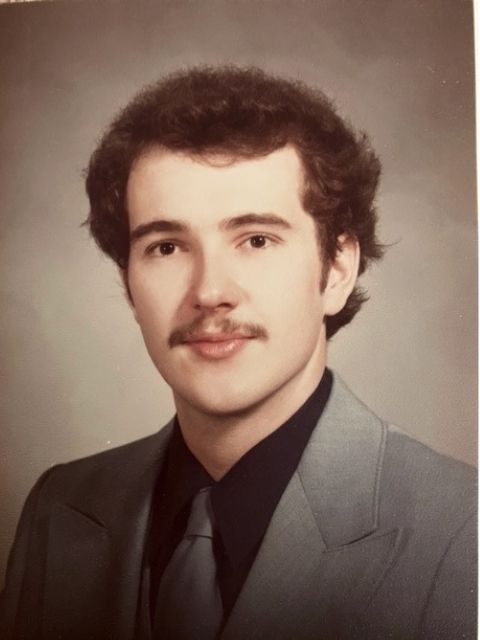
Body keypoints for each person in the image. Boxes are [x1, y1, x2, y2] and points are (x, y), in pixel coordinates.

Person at [0, 66, 476, 640]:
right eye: (167, 246)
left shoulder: (461, 529)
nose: (209, 292)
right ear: (128, 284)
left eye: (255, 240)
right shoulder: (58, 508)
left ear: (337, 270)